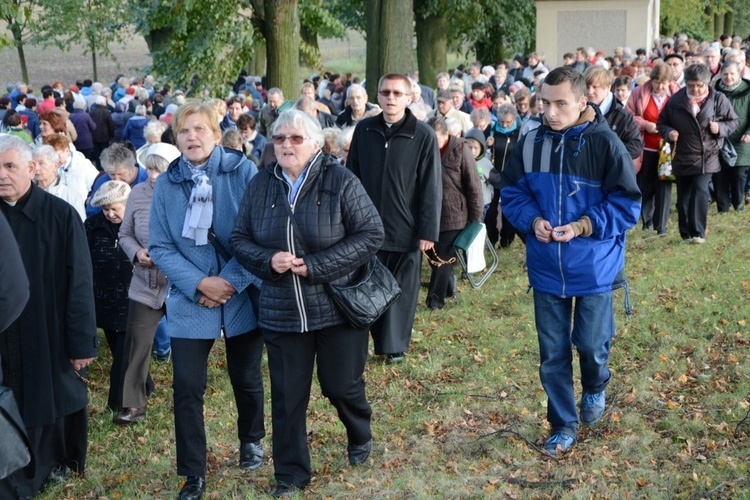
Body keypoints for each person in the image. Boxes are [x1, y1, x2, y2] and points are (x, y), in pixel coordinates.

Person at [230, 109, 384, 498]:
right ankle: (291, 476)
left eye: (295, 139)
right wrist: (268, 261)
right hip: (282, 311)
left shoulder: (339, 179)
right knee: (286, 398)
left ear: (315, 143)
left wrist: (315, 266)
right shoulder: (261, 184)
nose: (286, 145)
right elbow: (239, 239)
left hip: (337, 307)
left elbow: (371, 233)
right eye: (279, 138)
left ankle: (359, 431)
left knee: (341, 386)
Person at [500, 67, 641, 456]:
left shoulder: (605, 143)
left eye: (560, 103)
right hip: (546, 267)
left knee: (592, 346)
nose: (550, 111)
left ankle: (596, 386)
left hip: (594, 266)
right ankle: (563, 425)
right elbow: (511, 193)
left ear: (582, 102)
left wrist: (583, 225)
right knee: (553, 354)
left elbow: (628, 206)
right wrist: (532, 220)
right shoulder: (530, 143)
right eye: (545, 102)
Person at [148, 102, 265, 499]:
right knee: (186, 387)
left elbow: (259, 236)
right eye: (184, 131)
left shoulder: (243, 172)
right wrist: (201, 283)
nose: (191, 137)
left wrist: (228, 283)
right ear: (176, 138)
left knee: (245, 376)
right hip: (190, 298)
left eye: (200, 129)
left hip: (241, 293)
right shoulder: (166, 185)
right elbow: (160, 247)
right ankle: (193, 471)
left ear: (216, 134)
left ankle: (252, 439)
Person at [0, 135, 98, 497]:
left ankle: (51, 463)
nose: (2, 175)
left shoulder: (60, 216)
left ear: (31, 168)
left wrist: (81, 340)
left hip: (48, 327)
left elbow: (80, 283)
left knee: (51, 397)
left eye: (10, 166)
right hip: (5, 328)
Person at [347, 73, 442, 363]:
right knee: (367, 285)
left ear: (409, 97)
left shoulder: (423, 134)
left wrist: (428, 231)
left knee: (401, 290)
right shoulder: (364, 130)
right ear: (377, 95)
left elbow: (431, 186)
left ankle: (394, 345)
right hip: (367, 228)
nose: (391, 98)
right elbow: (351, 178)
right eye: (385, 92)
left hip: (406, 228)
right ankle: (363, 339)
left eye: (397, 93)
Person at [115, 143, 180, 425]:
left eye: (160, 169)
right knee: (136, 343)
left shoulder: (185, 193)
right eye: (150, 168)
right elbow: (124, 233)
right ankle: (132, 405)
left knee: (188, 346)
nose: (154, 175)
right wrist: (137, 253)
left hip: (179, 283)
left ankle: (188, 398)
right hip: (144, 282)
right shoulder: (138, 194)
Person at [657, 64, 738, 243]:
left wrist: (720, 128)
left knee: (700, 191)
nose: (695, 89)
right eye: (691, 85)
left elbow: (733, 121)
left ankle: (698, 233)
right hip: (682, 154)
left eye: (699, 85)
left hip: (707, 154)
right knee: (684, 196)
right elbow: (661, 123)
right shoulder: (675, 101)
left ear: (707, 83)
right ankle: (686, 233)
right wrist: (669, 132)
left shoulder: (718, 99)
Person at [424, 117, 483, 310]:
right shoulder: (423, 150)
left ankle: (435, 301)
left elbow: (473, 185)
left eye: (436, 139)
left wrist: (475, 218)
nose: (433, 144)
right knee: (434, 257)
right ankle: (448, 288)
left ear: (446, 135)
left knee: (443, 257)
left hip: (455, 214)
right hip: (431, 214)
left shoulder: (460, 149)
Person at [85, 180, 133, 413]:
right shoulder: (93, 226)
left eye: (115, 208)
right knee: (117, 348)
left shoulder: (140, 224)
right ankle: (147, 384)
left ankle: (117, 403)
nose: (110, 214)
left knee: (124, 356)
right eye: (106, 209)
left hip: (133, 299)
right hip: (104, 298)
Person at [626, 63, 682, 234]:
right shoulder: (639, 93)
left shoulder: (677, 93)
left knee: (664, 185)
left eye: (664, 83)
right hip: (646, 147)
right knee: (646, 185)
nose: (660, 86)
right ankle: (647, 221)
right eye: (657, 82)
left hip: (667, 148)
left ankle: (661, 225)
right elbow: (628, 115)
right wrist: (644, 124)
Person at [583, 67, 644, 167]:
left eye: (595, 87)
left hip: (610, 173)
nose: (590, 92)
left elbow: (636, 145)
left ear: (608, 87)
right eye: (587, 86)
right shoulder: (577, 111)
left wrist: (610, 157)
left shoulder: (621, 115)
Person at [714, 61, 750, 212]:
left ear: (739, 74)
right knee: (719, 172)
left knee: (739, 173)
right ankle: (723, 207)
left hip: (741, 138)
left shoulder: (747, 90)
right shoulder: (714, 91)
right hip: (720, 136)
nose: (728, 77)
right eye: (725, 74)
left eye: (732, 74)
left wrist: (749, 132)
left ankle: (738, 203)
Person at [86, 142, 148, 217]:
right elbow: (92, 213)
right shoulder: (103, 181)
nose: (116, 180)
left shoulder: (148, 180)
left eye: (120, 174)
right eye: (112, 174)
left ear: (132, 167)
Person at [32, 144, 86, 220]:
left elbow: (79, 227)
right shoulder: (26, 193)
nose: (36, 168)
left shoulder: (72, 197)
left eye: (41, 163)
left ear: (55, 166)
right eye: (33, 164)